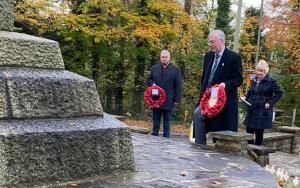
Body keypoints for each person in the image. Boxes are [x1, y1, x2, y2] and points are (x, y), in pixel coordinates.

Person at [193, 30, 243, 145]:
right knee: (197, 114)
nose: (210, 45)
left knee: (218, 126)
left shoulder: (233, 57)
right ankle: (200, 145)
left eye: (212, 42)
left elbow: (238, 80)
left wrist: (225, 85)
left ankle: (219, 152)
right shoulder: (208, 56)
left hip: (223, 100)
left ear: (221, 41)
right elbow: (205, 77)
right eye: (209, 42)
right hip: (208, 98)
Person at [242, 60, 283, 145]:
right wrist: (245, 98)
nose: (259, 73)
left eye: (262, 71)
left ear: (266, 71)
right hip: (251, 109)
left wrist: (270, 103)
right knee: (248, 133)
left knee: (259, 134)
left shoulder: (271, 81)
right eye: (258, 70)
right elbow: (250, 92)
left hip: (262, 110)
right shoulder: (253, 80)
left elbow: (279, 93)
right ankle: (248, 154)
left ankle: (258, 155)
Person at [147, 50, 182, 138]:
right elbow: (149, 80)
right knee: (156, 119)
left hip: (168, 99)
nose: (164, 59)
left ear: (169, 58)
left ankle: (166, 137)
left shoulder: (176, 69)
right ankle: (154, 135)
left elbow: (178, 85)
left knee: (167, 119)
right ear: (160, 57)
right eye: (163, 57)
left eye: (166, 57)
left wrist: (177, 100)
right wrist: (152, 84)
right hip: (156, 98)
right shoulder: (154, 68)